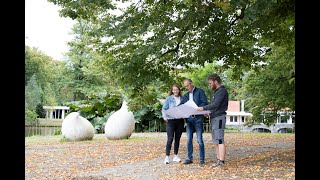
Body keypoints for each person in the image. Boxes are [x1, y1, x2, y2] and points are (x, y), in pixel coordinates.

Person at [197, 73, 229, 168]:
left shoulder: (222, 91)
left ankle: (221, 162)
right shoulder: (217, 92)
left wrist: (203, 108)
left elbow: (215, 105)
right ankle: (218, 160)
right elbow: (215, 107)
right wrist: (208, 112)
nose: (210, 85)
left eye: (210, 83)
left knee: (219, 140)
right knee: (215, 141)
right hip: (214, 117)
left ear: (215, 81)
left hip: (219, 118)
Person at [179, 78, 208, 166]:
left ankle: (202, 160)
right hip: (189, 120)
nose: (186, 87)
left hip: (198, 118)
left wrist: (196, 107)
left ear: (191, 83)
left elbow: (205, 103)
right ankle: (189, 158)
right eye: (185, 86)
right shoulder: (185, 95)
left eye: (187, 85)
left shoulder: (200, 91)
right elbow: (181, 105)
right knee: (188, 140)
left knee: (199, 140)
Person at [161, 83, 185, 164]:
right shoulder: (169, 99)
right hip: (171, 120)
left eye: (177, 89)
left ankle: (175, 156)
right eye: (174, 90)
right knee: (170, 138)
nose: (175, 91)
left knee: (177, 139)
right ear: (172, 90)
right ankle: (167, 157)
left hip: (180, 121)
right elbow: (164, 108)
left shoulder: (182, 98)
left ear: (179, 90)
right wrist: (164, 117)